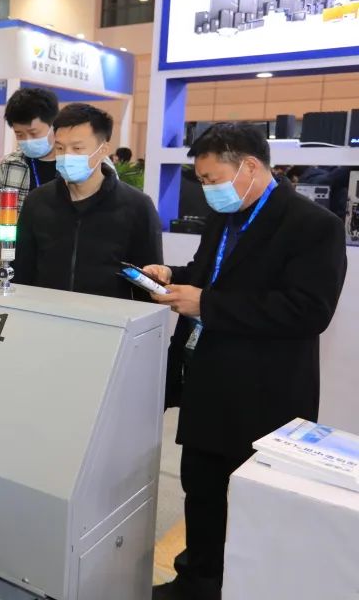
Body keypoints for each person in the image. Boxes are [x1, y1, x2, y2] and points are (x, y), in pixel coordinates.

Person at [144, 123, 346, 600]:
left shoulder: (313, 225)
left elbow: (308, 310)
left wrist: (207, 304)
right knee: (201, 491)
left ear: (250, 166)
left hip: (264, 393)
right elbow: (213, 277)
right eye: (202, 181)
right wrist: (172, 276)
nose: (207, 190)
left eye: (212, 179)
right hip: (207, 380)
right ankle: (195, 582)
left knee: (252, 503)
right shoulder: (226, 216)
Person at [12, 103, 162, 300]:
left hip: (109, 317)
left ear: (103, 149)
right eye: (60, 148)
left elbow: (149, 283)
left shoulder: (137, 206)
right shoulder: (37, 201)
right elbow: (22, 270)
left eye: (77, 148)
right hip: (45, 312)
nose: (67, 156)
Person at [0, 87, 60, 277]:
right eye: (19, 134)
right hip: (18, 267)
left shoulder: (78, 165)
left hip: (63, 269)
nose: (27, 140)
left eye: (34, 133)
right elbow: (1, 225)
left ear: (54, 125)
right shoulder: (7, 167)